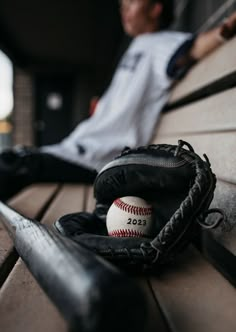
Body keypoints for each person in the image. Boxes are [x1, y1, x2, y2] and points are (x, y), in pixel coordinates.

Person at [1, 0, 236, 200]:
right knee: (17, 160)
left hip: (97, 159)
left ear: (155, 9)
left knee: (16, 164)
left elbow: (194, 48)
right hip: (81, 150)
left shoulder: (161, 42)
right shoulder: (138, 44)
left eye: (133, 3)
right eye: (123, 4)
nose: (124, 10)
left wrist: (226, 28)